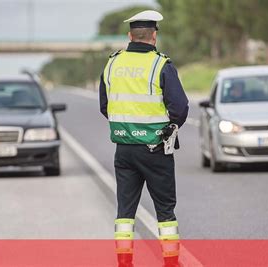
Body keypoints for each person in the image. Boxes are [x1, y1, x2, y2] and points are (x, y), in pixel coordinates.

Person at [99, 10, 188, 267]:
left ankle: (124, 262)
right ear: (154, 37)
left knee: (125, 212)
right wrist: (167, 127)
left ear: (130, 36)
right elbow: (180, 108)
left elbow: (105, 106)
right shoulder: (161, 64)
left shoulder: (112, 63)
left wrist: (129, 126)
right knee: (165, 211)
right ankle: (171, 262)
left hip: (124, 149)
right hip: (156, 149)